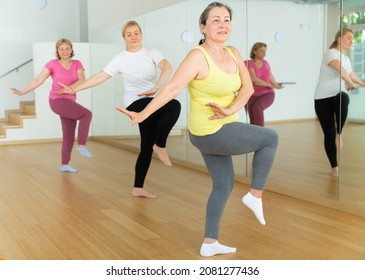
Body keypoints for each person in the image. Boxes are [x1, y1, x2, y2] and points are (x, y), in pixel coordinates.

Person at [117, 2, 278, 257]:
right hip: (209, 130)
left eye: (226, 19)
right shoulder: (197, 56)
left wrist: (230, 108)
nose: (223, 24)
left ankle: (209, 242)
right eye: (215, 20)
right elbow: (171, 89)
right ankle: (255, 195)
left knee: (223, 184)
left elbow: (247, 89)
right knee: (270, 137)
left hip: (223, 125)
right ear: (203, 27)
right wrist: (143, 113)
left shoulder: (235, 53)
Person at [58, 21, 181, 199]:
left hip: (152, 102)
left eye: (136, 33)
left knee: (146, 146)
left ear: (141, 35)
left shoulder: (151, 53)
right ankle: (160, 145)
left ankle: (138, 187)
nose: (133, 37)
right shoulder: (120, 58)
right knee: (174, 105)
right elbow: (101, 76)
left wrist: (157, 87)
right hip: (135, 104)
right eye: (129, 34)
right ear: (124, 38)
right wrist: (75, 88)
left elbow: (167, 67)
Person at [10, 38, 92, 173]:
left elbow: (82, 80)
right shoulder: (53, 64)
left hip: (70, 102)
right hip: (57, 100)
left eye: (67, 49)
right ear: (57, 51)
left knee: (68, 134)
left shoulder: (77, 64)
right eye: (61, 49)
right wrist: (23, 92)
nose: (64, 52)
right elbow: (39, 79)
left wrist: (69, 88)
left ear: (71, 50)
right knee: (86, 114)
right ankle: (82, 144)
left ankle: (64, 164)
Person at [314, 28, 365, 177]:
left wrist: (361, 83)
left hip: (337, 95)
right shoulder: (331, 53)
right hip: (322, 98)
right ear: (340, 40)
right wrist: (350, 82)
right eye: (349, 38)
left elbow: (350, 74)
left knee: (344, 97)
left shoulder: (347, 58)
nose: (352, 41)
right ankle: (334, 167)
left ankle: (339, 132)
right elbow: (340, 69)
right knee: (328, 134)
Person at [245, 42, 283, 126]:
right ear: (254, 51)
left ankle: (261, 134)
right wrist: (269, 84)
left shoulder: (266, 63)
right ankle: (254, 135)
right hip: (252, 95)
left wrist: (276, 85)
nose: (264, 53)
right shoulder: (248, 63)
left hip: (267, 93)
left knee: (257, 107)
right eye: (262, 51)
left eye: (265, 51)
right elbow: (254, 79)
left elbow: (270, 76)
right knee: (252, 117)